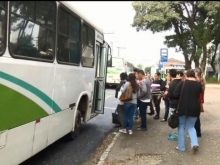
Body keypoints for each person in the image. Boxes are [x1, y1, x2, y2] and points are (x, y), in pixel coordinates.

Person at [173, 69, 202, 153]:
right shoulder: (198, 84)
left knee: (181, 126)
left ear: (186, 75)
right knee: (191, 126)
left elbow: (175, 94)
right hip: (195, 108)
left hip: (182, 107)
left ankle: (181, 147)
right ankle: (194, 143)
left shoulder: (183, 83)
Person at [194, 67, 206, 137]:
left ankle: (197, 132)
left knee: (196, 117)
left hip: (197, 99)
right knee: (197, 117)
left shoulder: (198, 81)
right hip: (200, 99)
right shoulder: (202, 80)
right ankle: (197, 132)